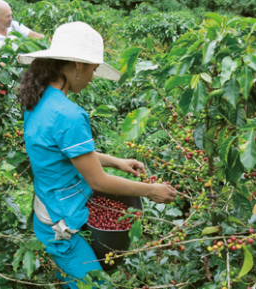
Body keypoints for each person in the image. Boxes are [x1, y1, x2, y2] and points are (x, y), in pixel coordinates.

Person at [17, 21, 177, 288]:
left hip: (47, 206)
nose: (93, 77)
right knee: (97, 284)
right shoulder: (69, 114)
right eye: (92, 69)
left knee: (69, 280)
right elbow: (99, 182)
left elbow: (67, 153)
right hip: (60, 227)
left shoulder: (38, 99)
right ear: (78, 65)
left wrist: (116, 161)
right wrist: (151, 191)